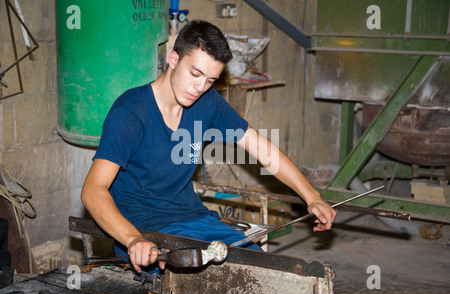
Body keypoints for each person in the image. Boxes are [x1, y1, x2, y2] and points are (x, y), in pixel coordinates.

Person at [81, 20, 337, 274]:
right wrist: (132, 239)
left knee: (264, 271)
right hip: (146, 232)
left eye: (210, 80)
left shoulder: (206, 102)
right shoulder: (131, 113)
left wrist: (312, 197)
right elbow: (93, 190)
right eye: (195, 74)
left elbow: (262, 149)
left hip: (195, 220)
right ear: (173, 59)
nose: (200, 88)